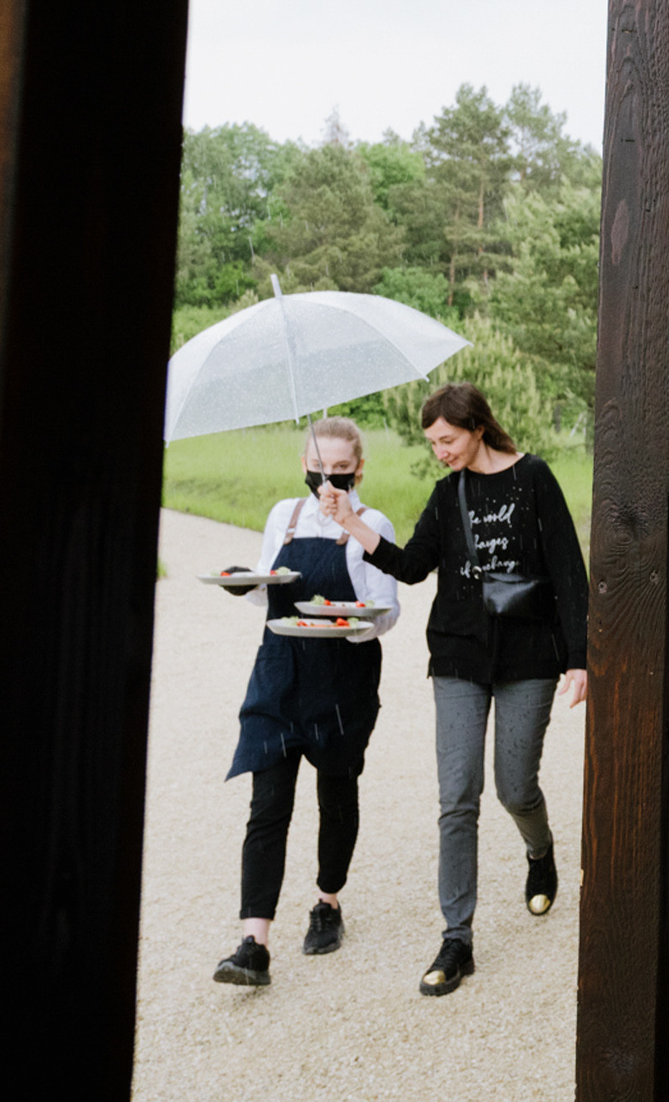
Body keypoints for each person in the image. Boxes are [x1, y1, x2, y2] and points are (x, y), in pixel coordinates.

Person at [324, 382, 588, 997]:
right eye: (433, 443)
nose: (440, 451)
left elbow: (570, 570)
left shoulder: (534, 479)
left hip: (529, 658)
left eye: (447, 439)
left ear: (476, 428)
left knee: (515, 785)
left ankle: (539, 849)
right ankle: (457, 937)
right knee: (457, 795)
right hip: (457, 658)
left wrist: (581, 658)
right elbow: (413, 566)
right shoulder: (449, 495)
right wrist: (353, 523)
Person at [213, 417, 402, 987]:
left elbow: (386, 610)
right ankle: (253, 943)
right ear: (304, 465)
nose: (329, 479)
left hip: (342, 677)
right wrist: (246, 585)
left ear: (359, 470)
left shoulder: (373, 523)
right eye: (320, 468)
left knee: (336, 795)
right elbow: (271, 592)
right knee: (267, 804)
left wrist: (349, 624)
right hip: (278, 671)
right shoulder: (282, 516)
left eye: (342, 471)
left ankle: (328, 900)